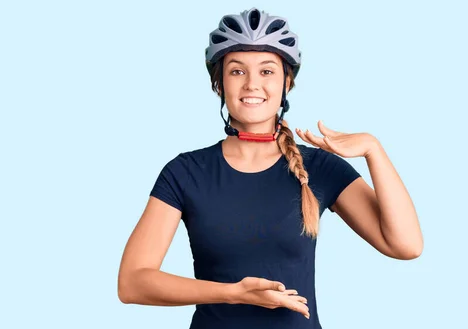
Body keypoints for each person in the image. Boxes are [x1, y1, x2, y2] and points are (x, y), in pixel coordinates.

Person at [117, 7, 423, 329]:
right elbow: (133, 282)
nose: (252, 84)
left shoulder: (319, 167)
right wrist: (233, 293)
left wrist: (374, 150)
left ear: (286, 83)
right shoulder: (185, 172)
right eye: (237, 71)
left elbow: (405, 245)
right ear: (218, 84)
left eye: (267, 71)